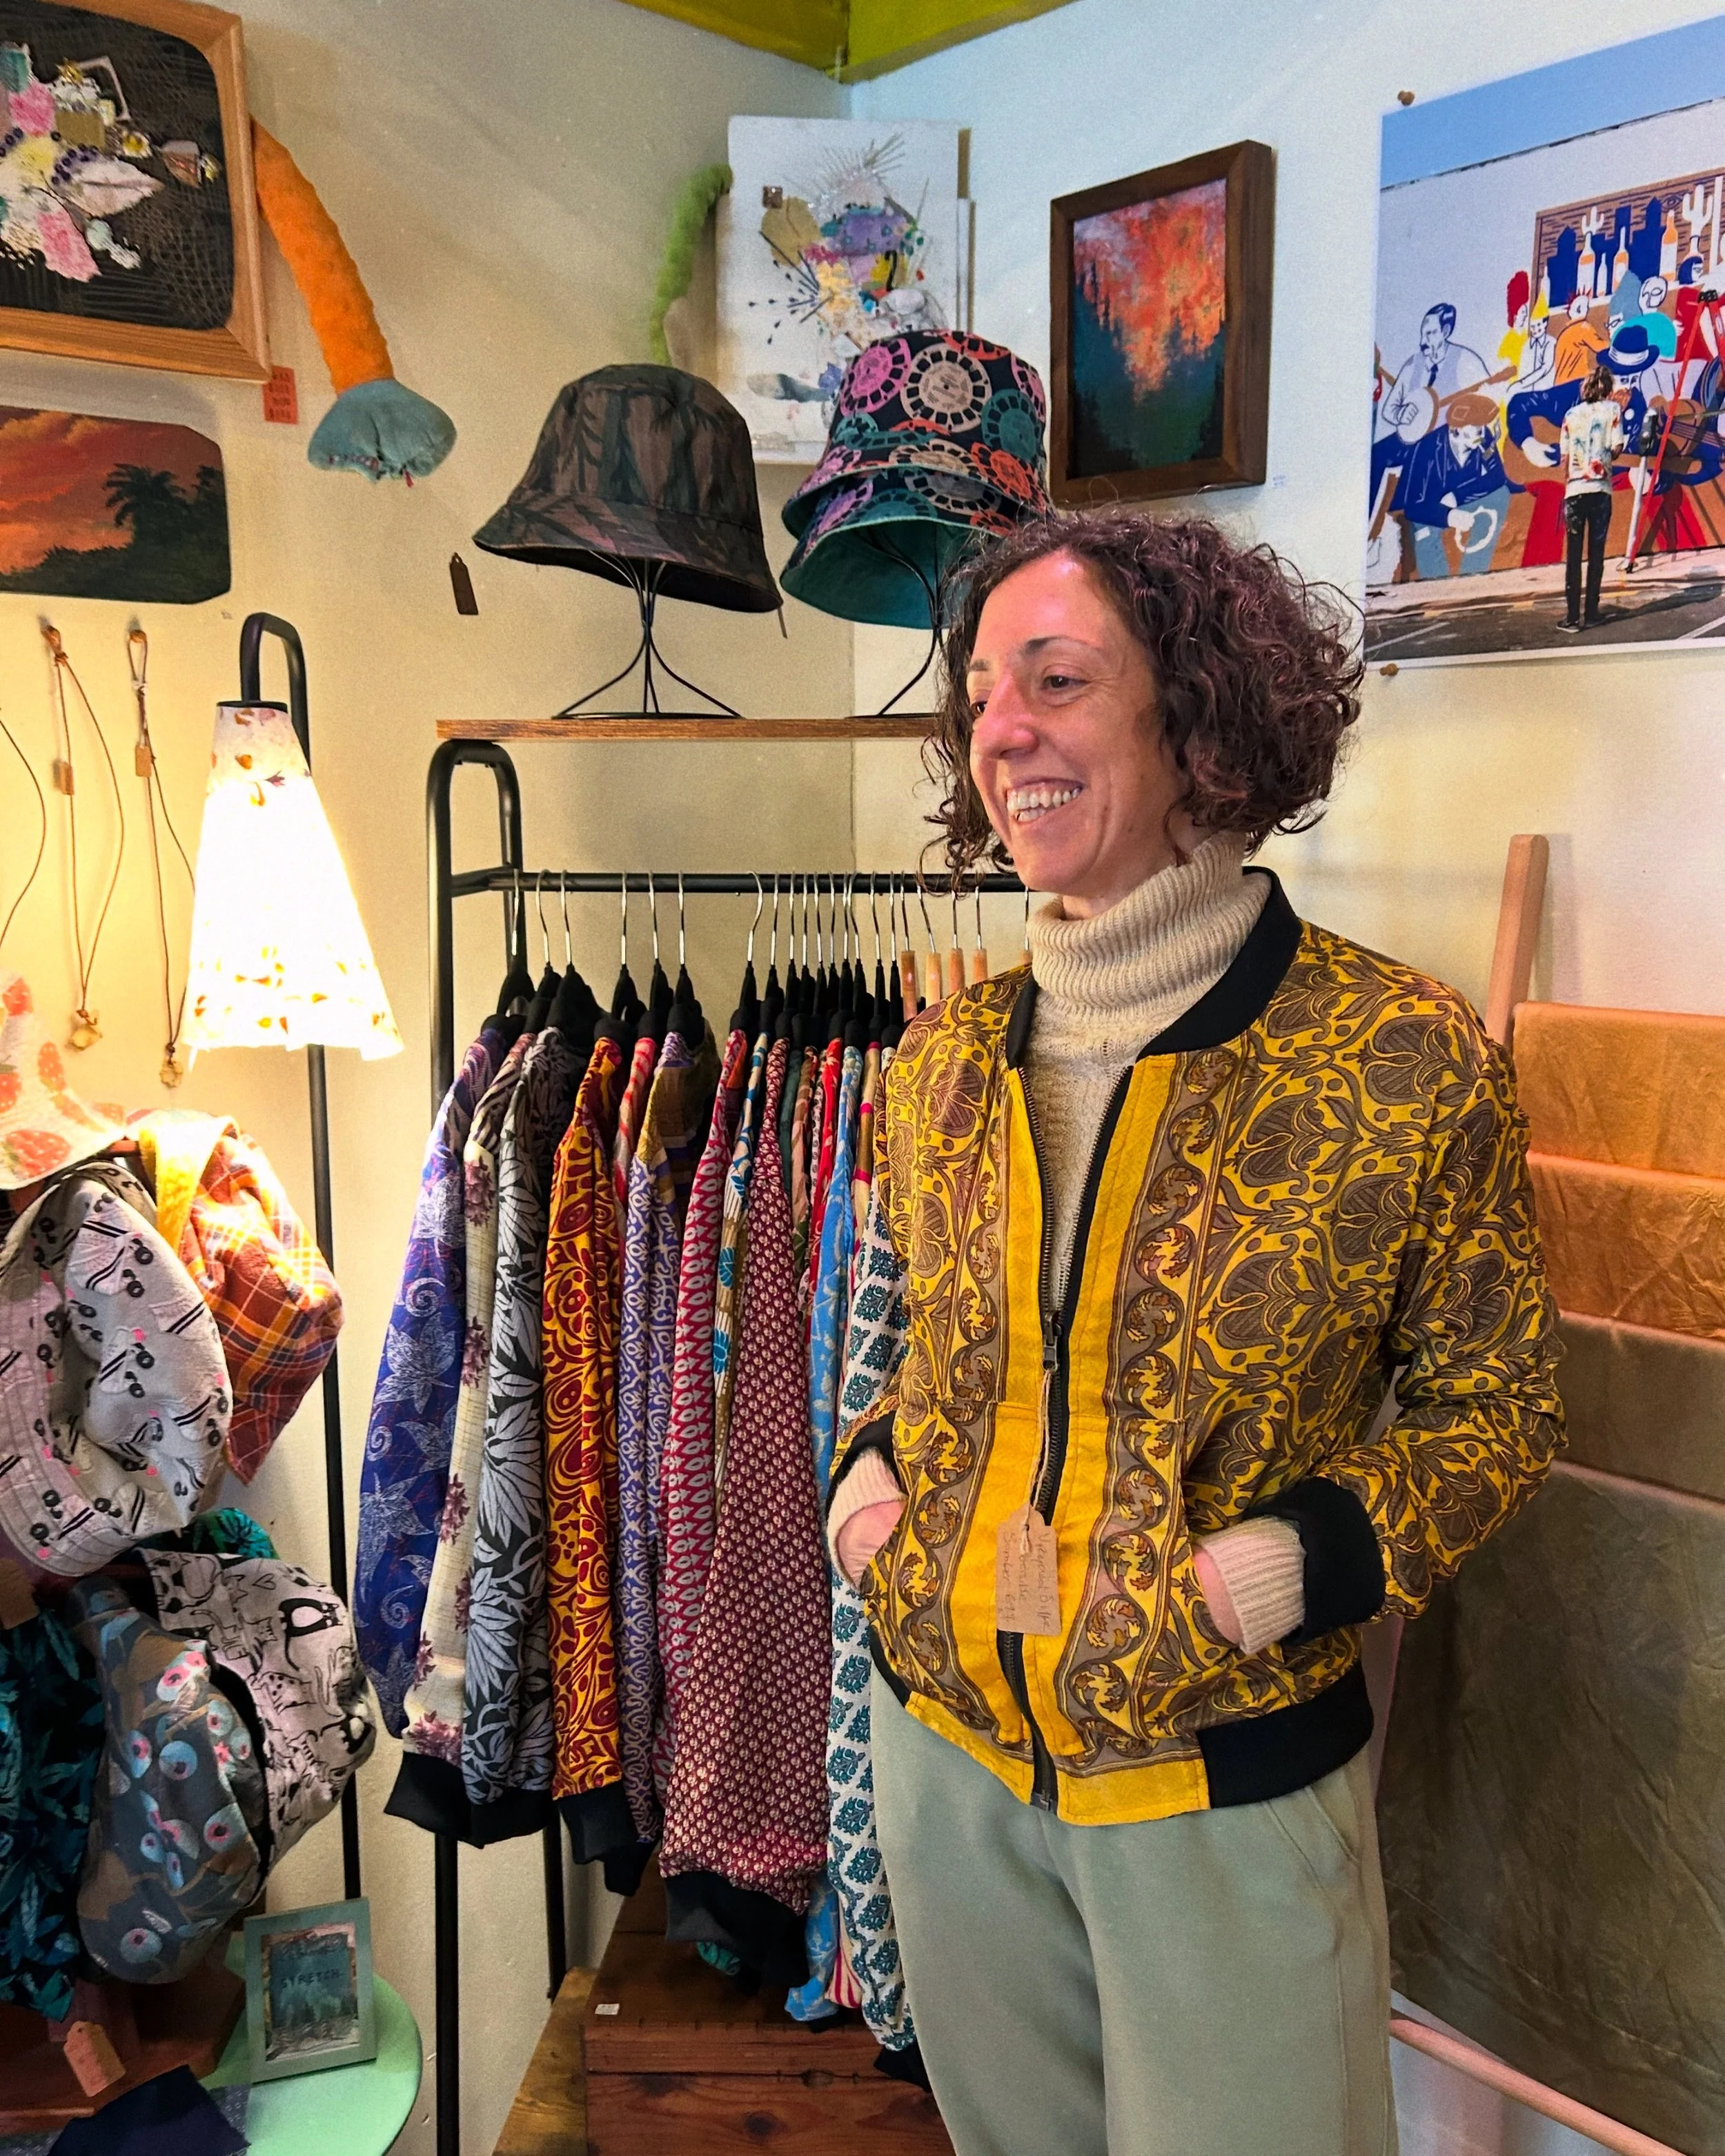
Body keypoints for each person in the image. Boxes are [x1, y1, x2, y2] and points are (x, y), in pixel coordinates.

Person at [825, 512, 1564, 2156]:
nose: (1000, 726)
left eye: (1059, 679)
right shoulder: (938, 1065)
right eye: (980, 691)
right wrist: (869, 1511)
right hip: (947, 1766)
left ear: (1201, 727)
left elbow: (1495, 1406)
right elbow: (917, 1358)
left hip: (1219, 1782)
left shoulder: (1399, 1056)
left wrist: (1261, 1580)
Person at [1389, 392, 1510, 577]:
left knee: (1501, 495)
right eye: (1475, 427)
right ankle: (1438, 586)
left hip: (1457, 501)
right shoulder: (1426, 450)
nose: (1481, 431)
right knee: (1425, 533)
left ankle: (1472, 574)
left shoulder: (1482, 436)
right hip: (1426, 511)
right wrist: (1449, 516)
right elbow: (1414, 508)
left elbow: (1497, 477)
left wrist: (1457, 496)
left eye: (1482, 426)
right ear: (1456, 429)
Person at [1557, 362, 1625, 630]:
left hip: (1574, 492)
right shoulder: (1613, 410)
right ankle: (1592, 613)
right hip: (1600, 491)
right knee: (1596, 554)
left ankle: (1572, 618)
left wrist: (1572, 480)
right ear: (1607, 388)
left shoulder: (1570, 415)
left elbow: (1564, 458)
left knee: (1573, 556)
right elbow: (1616, 447)